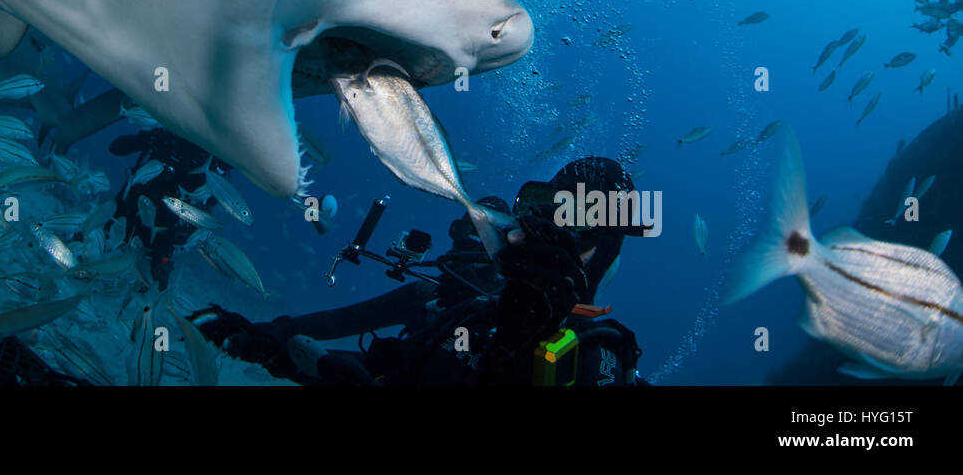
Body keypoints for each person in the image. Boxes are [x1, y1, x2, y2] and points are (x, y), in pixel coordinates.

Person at [191, 156, 647, 386]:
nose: (553, 235)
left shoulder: (597, 357)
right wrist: (274, 344)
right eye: (544, 212)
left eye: (576, 220)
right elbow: (379, 367)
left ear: (606, 252)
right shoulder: (469, 313)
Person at [105, 128, 219, 290]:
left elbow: (209, 203)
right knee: (106, 238)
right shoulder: (166, 138)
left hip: (164, 226)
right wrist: (149, 138)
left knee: (153, 276)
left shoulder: (209, 162)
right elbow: (116, 147)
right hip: (132, 208)